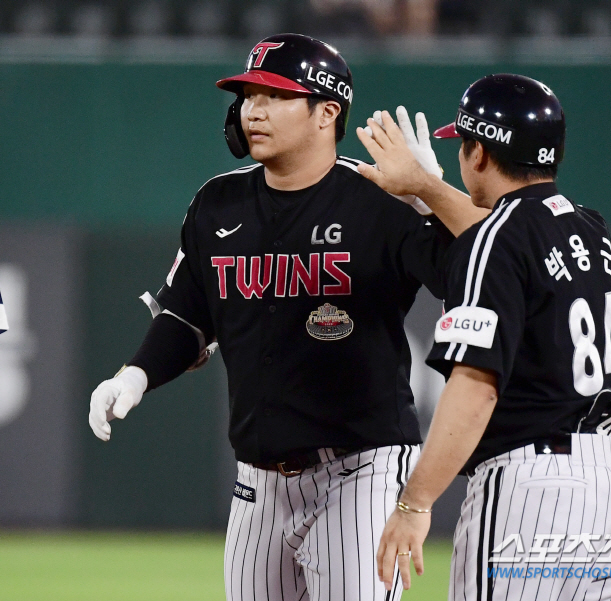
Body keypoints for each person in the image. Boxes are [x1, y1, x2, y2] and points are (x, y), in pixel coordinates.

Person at [87, 34, 486, 601]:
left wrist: (430, 196)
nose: (254, 109)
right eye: (249, 95)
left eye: (275, 96)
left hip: (362, 470)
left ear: (327, 113)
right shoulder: (216, 203)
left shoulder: (380, 199)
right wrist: (136, 374)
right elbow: (187, 313)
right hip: (258, 481)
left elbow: (477, 277)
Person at [357, 74, 611, 600]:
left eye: (463, 147)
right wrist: (430, 190)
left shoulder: (497, 240)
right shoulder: (589, 227)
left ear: (478, 154)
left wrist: (414, 504)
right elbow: (506, 233)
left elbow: (476, 386)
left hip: (533, 496)